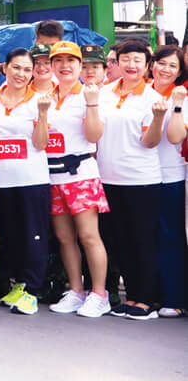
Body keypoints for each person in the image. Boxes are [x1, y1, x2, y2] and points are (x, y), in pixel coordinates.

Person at [94, 39, 165, 319]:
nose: (131, 65)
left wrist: (158, 118)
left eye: (137, 60)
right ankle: (131, 297)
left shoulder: (152, 98)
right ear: (116, 62)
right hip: (108, 178)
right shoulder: (104, 93)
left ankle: (147, 300)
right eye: (125, 59)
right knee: (119, 240)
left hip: (141, 180)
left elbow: (150, 142)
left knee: (142, 239)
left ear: (147, 65)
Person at [43, 40, 111, 318]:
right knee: (64, 237)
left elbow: (94, 135)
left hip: (81, 174)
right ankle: (76, 290)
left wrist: (92, 103)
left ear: (80, 65)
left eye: (70, 61)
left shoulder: (89, 94)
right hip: (52, 175)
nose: (64, 66)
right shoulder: (45, 95)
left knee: (88, 236)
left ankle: (100, 294)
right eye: (58, 61)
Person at [0, 46, 52, 315]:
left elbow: (41, 144)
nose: (21, 74)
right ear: (5, 68)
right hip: (1, 179)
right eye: (16, 67)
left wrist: (43, 114)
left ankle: (33, 291)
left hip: (32, 179)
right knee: (11, 235)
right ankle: (20, 284)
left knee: (33, 235)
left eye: (27, 70)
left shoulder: (38, 100)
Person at [148, 46, 186, 316]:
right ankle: (149, 294)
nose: (165, 69)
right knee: (146, 236)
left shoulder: (181, 96)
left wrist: (176, 105)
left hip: (170, 174)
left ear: (180, 71)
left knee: (169, 236)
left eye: (173, 66)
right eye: (161, 63)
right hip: (138, 175)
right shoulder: (139, 92)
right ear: (152, 65)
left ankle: (174, 298)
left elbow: (175, 137)